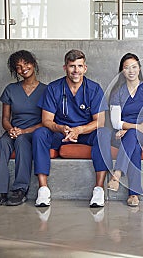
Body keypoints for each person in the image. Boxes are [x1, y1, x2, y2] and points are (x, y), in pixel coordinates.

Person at [32, 49, 112, 208]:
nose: (76, 70)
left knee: (103, 133)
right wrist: (60, 128)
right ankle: (43, 189)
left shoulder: (94, 88)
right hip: (60, 132)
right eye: (72, 66)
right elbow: (46, 120)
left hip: (84, 133)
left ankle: (99, 189)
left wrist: (79, 130)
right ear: (65, 68)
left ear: (85, 68)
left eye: (79, 66)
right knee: (40, 132)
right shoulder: (54, 88)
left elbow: (99, 122)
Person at [0, 50, 47, 207]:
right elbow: (5, 119)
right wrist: (10, 130)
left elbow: (47, 121)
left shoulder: (46, 90)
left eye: (26, 64)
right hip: (14, 130)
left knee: (22, 141)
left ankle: (20, 189)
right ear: (16, 71)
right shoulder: (10, 89)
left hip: (34, 131)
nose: (23, 69)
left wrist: (24, 131)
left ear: (33, 64)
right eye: (19, 67)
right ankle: (0, 191)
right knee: (2, 143)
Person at [109, 53, 143, 207]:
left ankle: (117, 173)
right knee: (134, 147)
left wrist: (127, 128)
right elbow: (115, 121)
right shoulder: (117, 92)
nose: (131, 71)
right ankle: (134, 195)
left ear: (139, 69)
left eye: (134, 67)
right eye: (126, 68)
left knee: (132, 136)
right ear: (122, 71)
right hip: (124, 133)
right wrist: (134, 127)